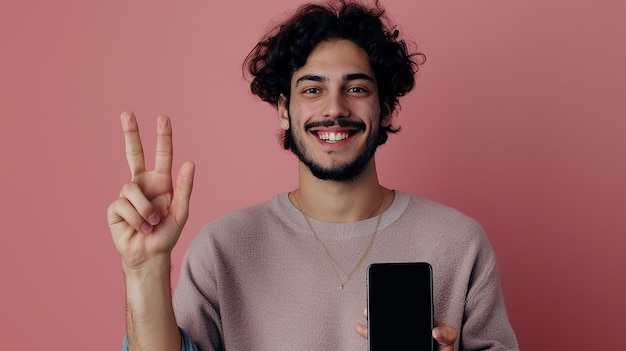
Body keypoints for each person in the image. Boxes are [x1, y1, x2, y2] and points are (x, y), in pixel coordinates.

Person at [107, 0, 519, 350]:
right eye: (312, 89)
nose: (334, 108)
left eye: (356, 89)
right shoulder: (222, 248)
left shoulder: (459, 243)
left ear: (387, 108)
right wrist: (144, 270)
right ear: (284, 110)